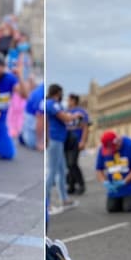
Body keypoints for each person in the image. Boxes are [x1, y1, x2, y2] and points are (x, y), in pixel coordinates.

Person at [96, 131, 131, 213]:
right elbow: (99, 169)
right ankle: (123, 199)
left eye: (113, 148)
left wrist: (124, 181)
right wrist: (105, 182)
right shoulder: (103, 149)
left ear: (118, 142)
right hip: (115, 185)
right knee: (112, 208)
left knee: (129, 207)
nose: (111, 152)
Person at [45, 84, 78, 214]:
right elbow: (65, 117)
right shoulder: (53, 104)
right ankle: (46, 203)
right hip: (55, 140)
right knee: (52, 171)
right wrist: (75, 116)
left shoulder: (49, 103)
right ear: (58, 93)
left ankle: (64, 198)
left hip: (57, 140)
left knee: (61, 170)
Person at [64, 93, 90, 195]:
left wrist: (83, 141)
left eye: (68, 100)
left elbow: (85, 127)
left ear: (73, 100)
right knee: (68, 164)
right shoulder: (65, 112)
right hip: (66, 141)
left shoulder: (81, 112)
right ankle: (71, 186)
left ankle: (81, 184)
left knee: (72, 163)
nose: (67, 102)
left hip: (76, 141)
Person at [19, 82, 45, 151]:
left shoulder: (40, 89)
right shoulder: (42, 95)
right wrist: (39, 142)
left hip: (28, 118)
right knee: (32, 144)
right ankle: (25, 137)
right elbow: (40, 119)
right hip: (33, 120)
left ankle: (24, 135)